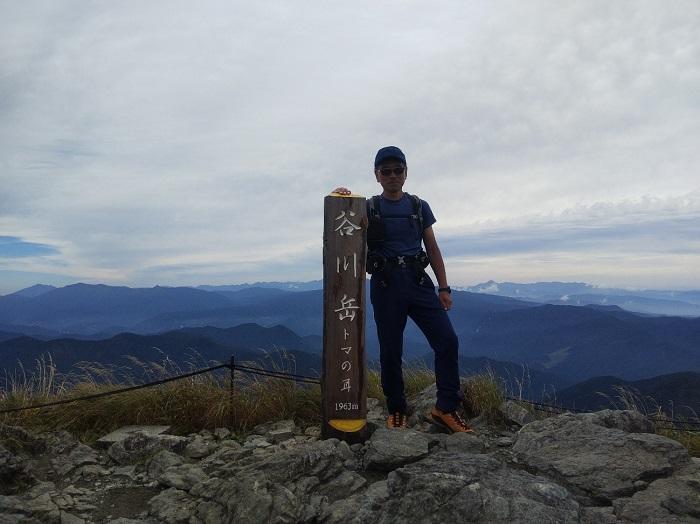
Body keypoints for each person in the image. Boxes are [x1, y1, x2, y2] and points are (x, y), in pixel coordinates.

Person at [333, 145, 473, 433]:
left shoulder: (419, 207)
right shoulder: (368, 207)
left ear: (406, 173)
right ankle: (396, 409)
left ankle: (445, 408)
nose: (393, 175)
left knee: (447, 341)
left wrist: (444, 287)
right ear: (377, 175)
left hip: (418, 281)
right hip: (386, 284)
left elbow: (432, 247)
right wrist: (342, 200)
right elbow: (345, 222)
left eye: (398, 170)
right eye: (386, 171)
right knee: (390, 350)